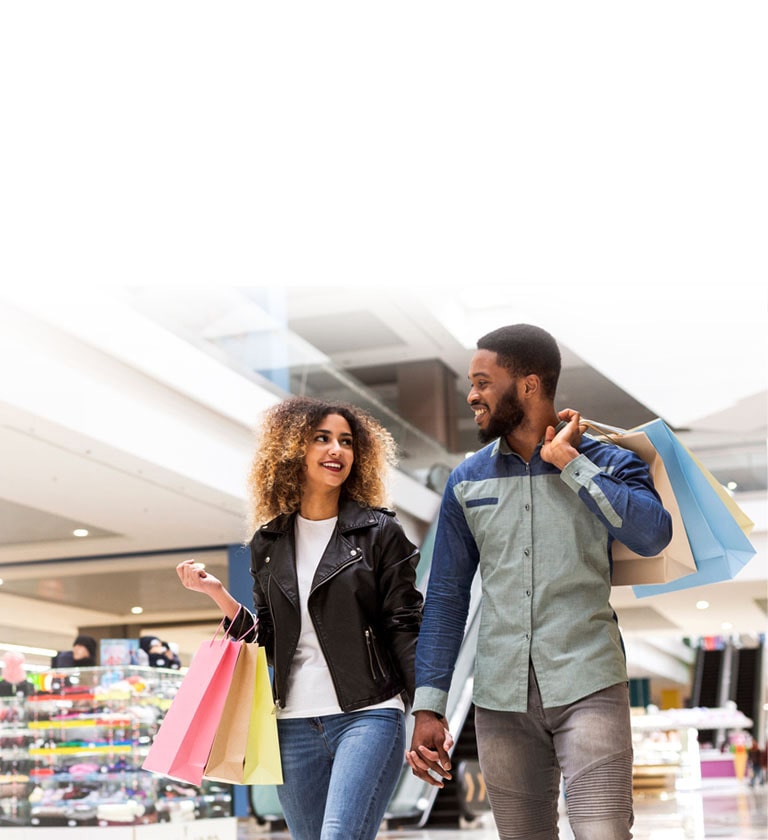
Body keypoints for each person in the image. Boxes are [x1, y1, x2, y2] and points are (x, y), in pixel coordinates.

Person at [406, 324, 673, 840]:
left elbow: (651, 535)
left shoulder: (609, 461)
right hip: (499, 699)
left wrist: (571, 464)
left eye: (483, 382)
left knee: (605, 832)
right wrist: (430, 705)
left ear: (528, 385)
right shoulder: (467, 481)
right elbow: (444, 598)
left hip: (589, 681)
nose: (472, 394)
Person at [176, 396, 434, 840]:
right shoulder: (268, 542)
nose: (336, 450)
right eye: (322, 438)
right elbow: (270, 640)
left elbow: (404, 626)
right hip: (292, 723)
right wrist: (217, 595)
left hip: (367, 715)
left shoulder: (379, 533)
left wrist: (428, 710)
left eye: (346, 441)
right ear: (293, 448)